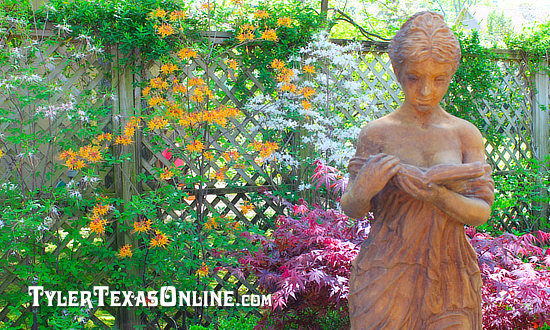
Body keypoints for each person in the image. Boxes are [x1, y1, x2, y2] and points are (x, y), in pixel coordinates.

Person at [340, 11, 494, 329]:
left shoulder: (465, 133)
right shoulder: (377, 133)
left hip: (449, 269)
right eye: (414, 78)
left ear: (452, 74)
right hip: (385, 270)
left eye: (440, 79)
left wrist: (437, 195)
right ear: (398, 71)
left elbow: (480, 213)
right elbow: (352, 208)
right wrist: (363, 188)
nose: (426, 91)